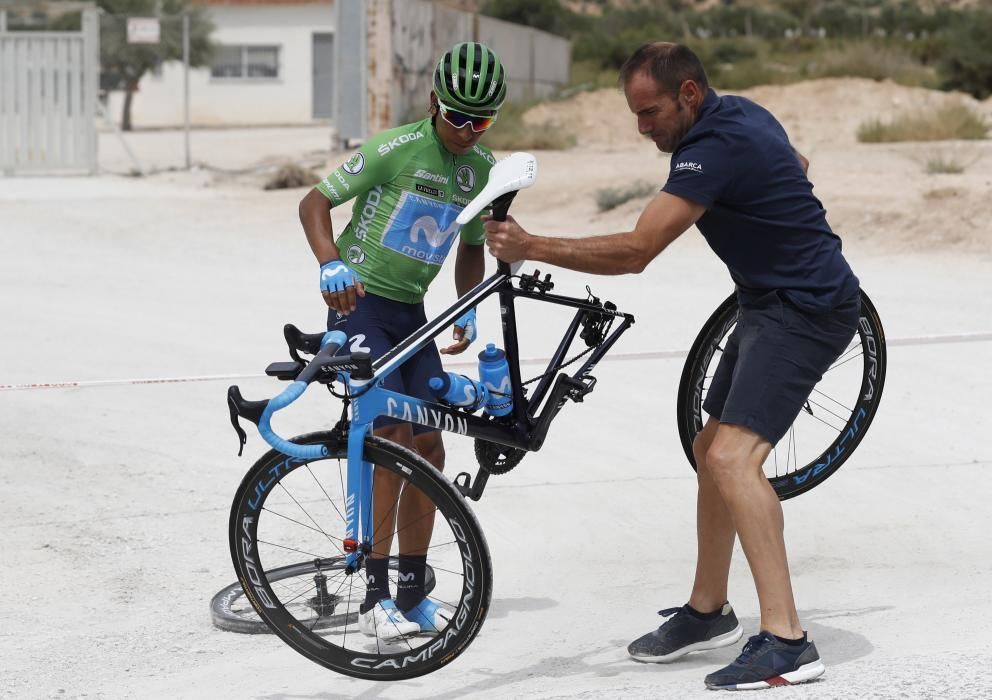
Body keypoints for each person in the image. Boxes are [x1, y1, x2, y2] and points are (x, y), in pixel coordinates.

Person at [484, 42, 860, 690]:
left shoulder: (710, 149)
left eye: (650, 112)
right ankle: (708, 611)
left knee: (732, 460)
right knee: (709, 445)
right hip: (763, 302)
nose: (643, 128)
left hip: (807, 310)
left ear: (688, 95)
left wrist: (531, 245)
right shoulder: (743, 114)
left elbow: (636, 251)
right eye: (635, 114)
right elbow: (795, 163)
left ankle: (788, 641)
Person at [298, 41, 506, 641]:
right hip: (361, 307)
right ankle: (373, 596)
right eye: (458, 116)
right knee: (389, 437)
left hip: (413, 316)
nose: (468, 130)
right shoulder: (397, 148)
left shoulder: (482, 171)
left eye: (483, 120)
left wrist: (466, 308)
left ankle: (413, 592)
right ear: (434, 102)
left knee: (431, 450)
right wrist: (328, 262)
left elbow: (471, 251)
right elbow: (314, 202)